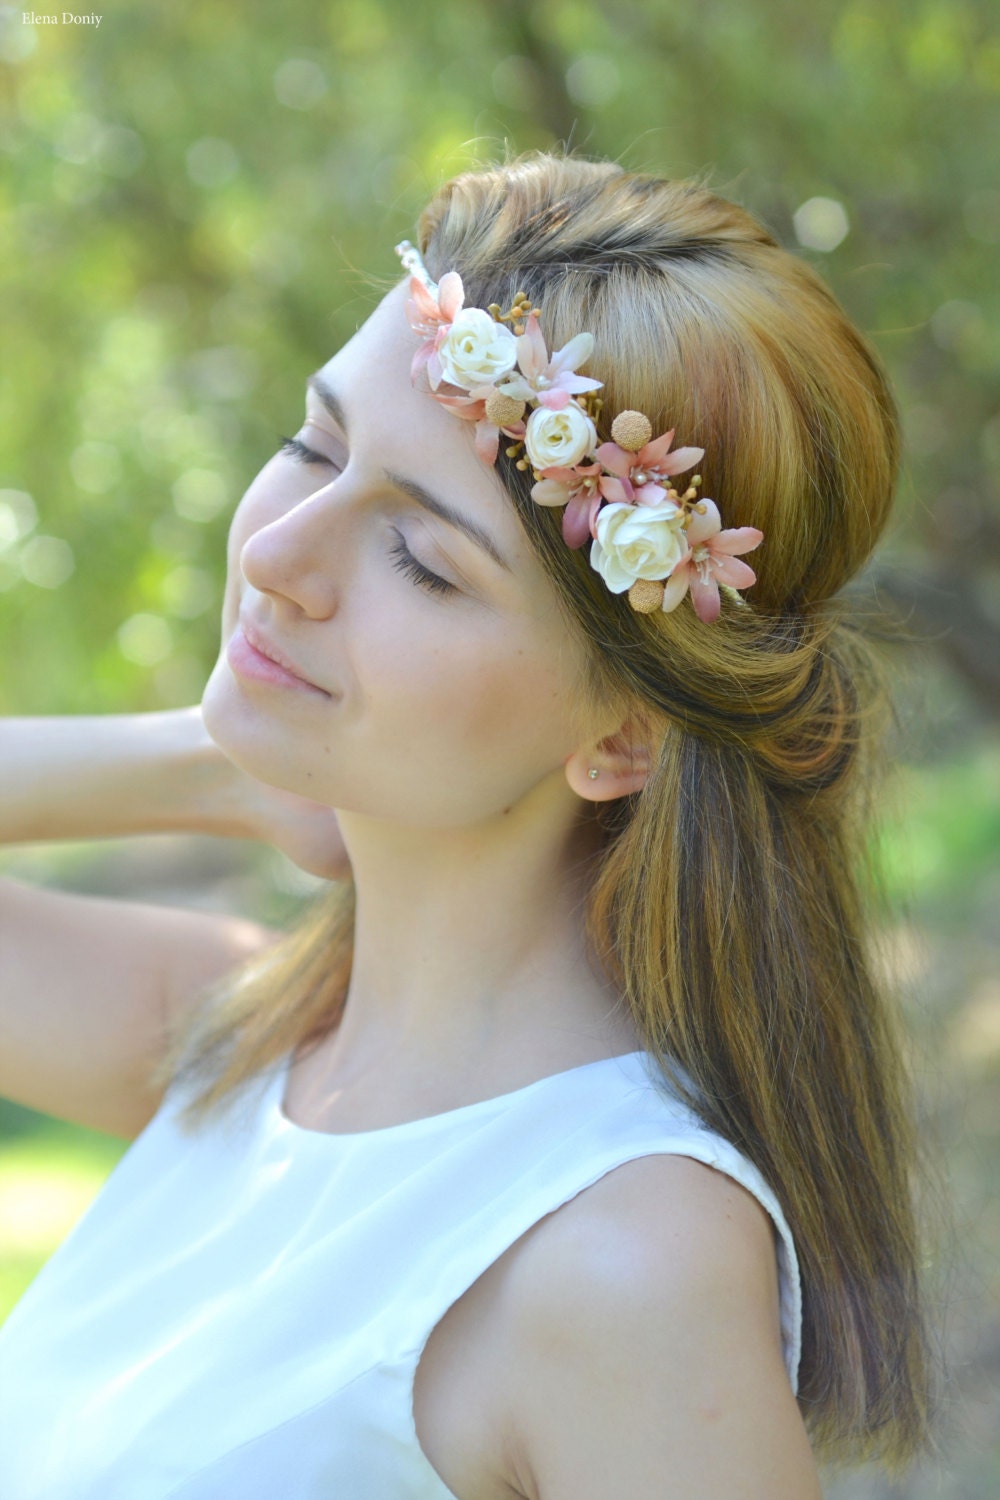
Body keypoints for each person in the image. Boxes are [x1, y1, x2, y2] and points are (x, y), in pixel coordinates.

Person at [0, 151, 935, 1498]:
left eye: (423, 558)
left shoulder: (621, 1261)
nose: (276, 556)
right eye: (311, 445)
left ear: (621, 736)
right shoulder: (229, 1044)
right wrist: (213, 763)